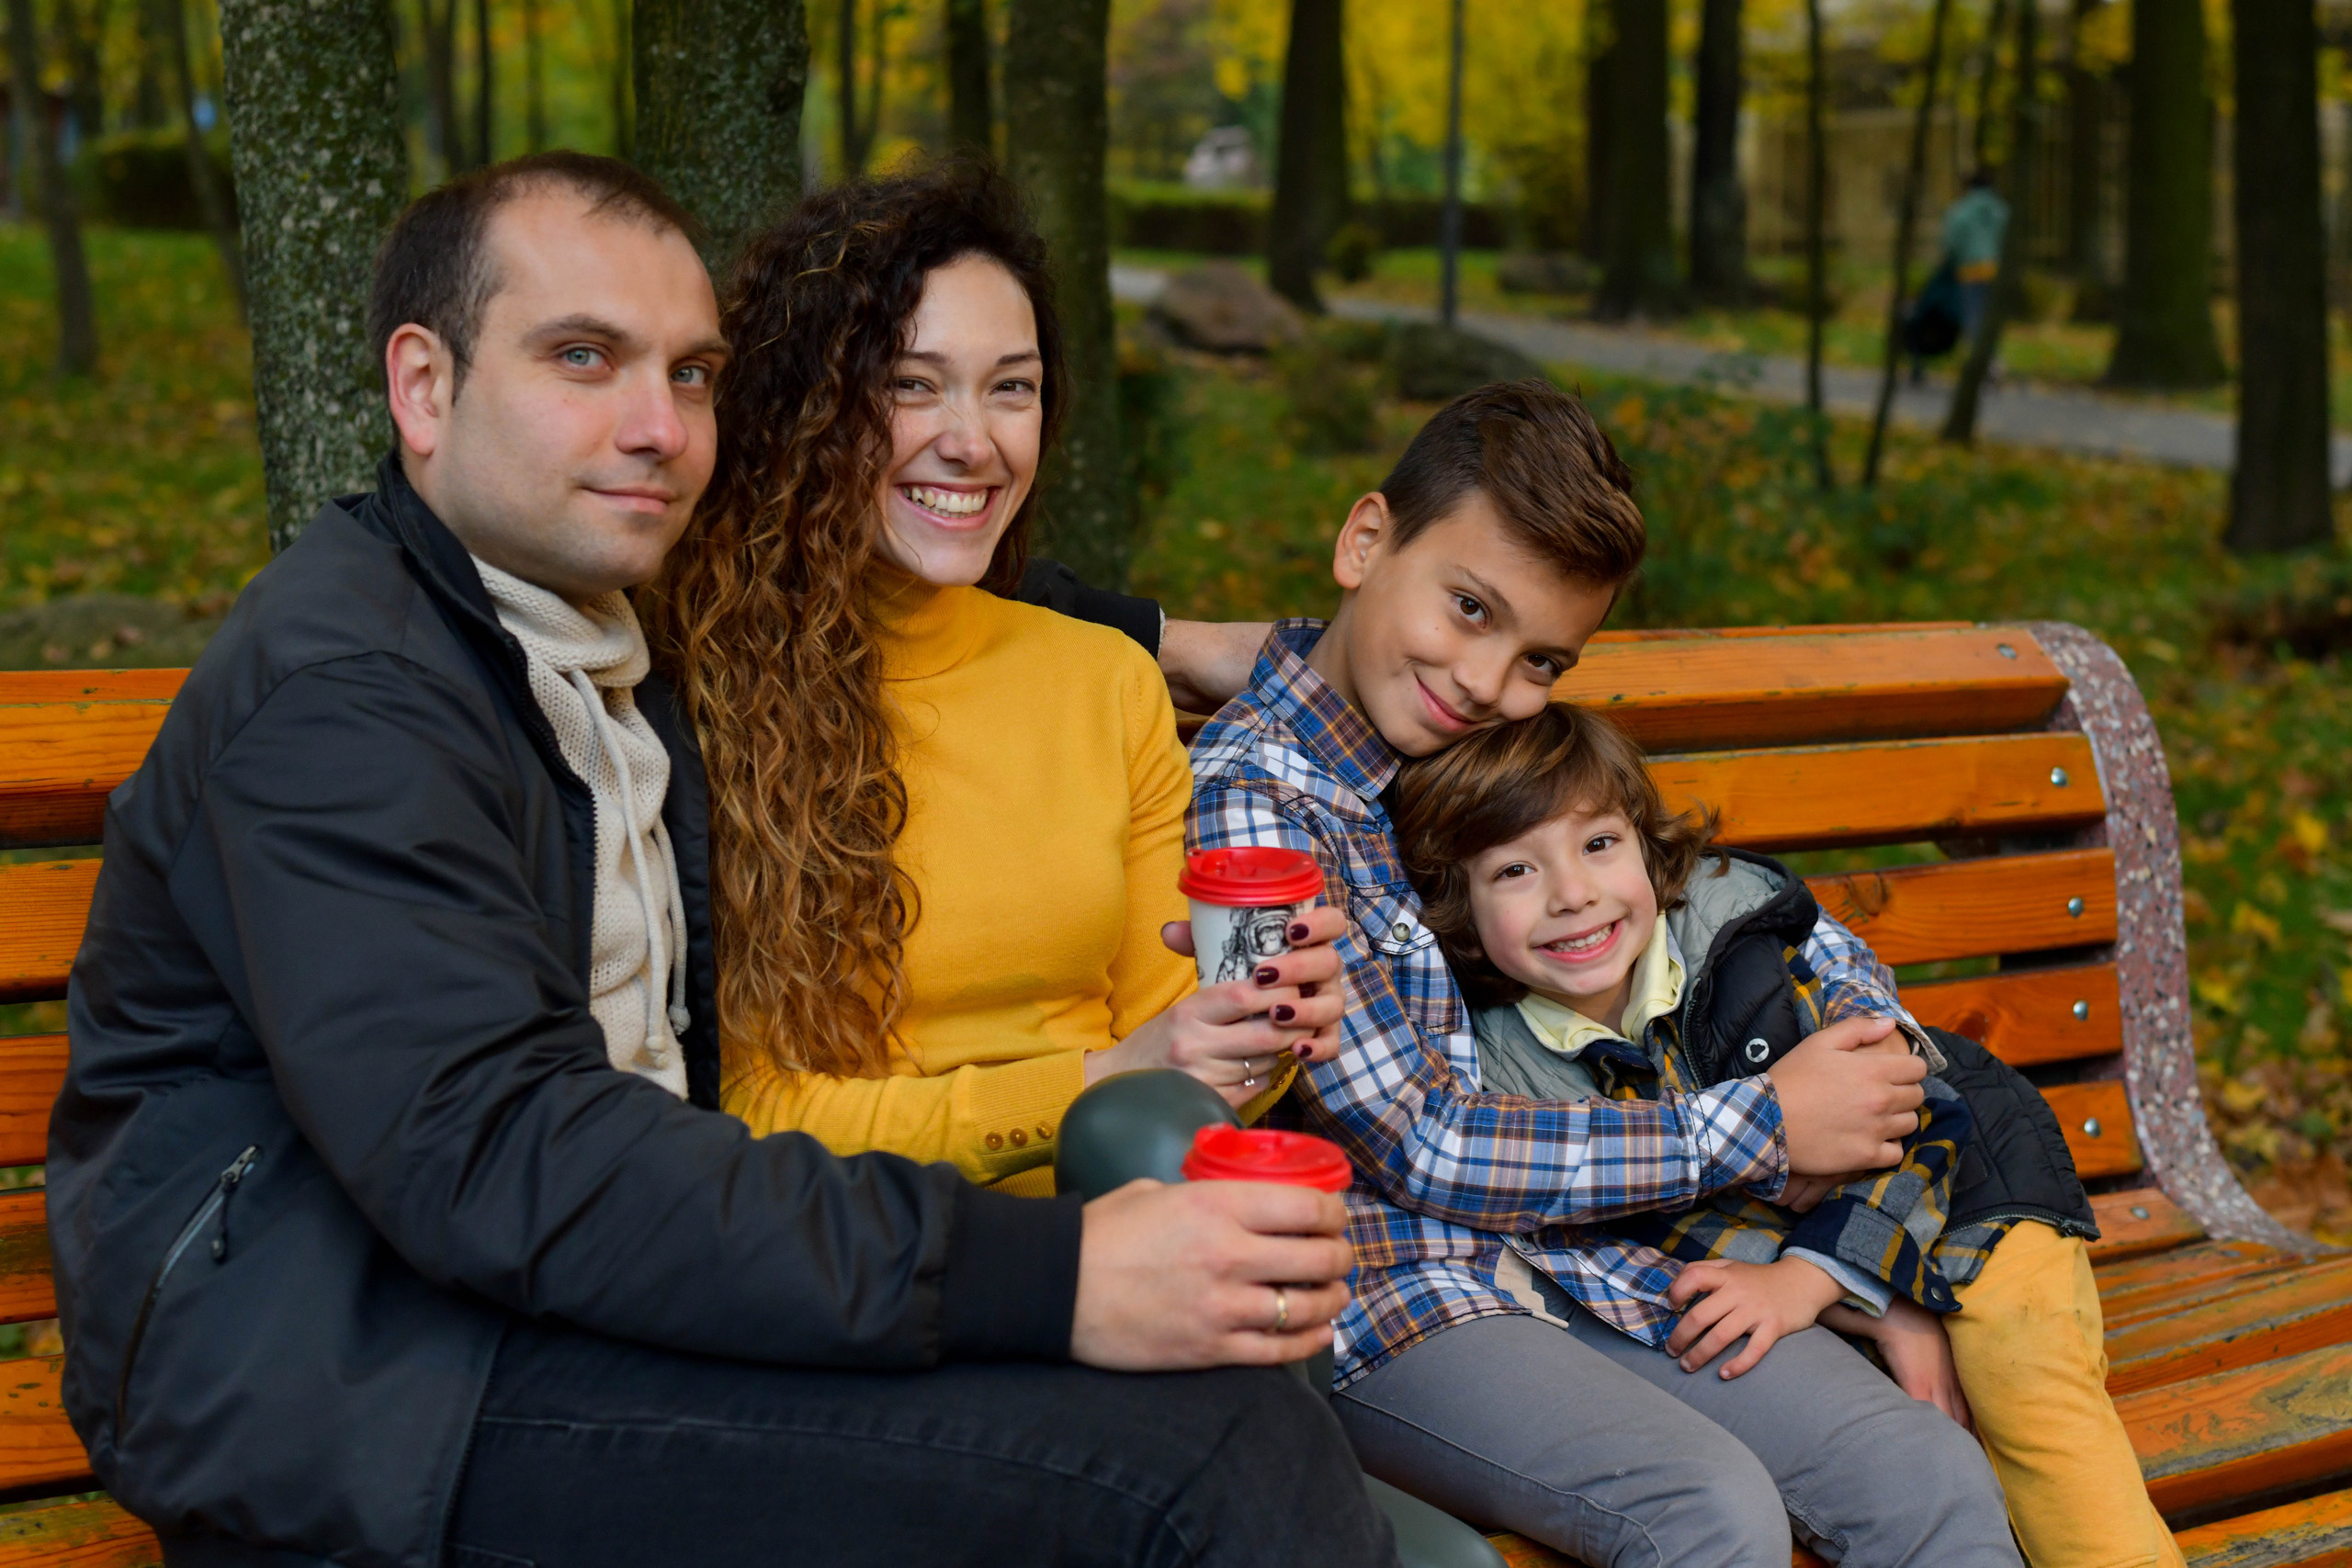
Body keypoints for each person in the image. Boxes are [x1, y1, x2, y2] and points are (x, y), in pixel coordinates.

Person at [51, 151, 1389, 1568]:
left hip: (581, 1314)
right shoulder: (347, 700)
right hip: (376, 1388)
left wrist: (1153, 630)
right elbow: (511, 1158)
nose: (657, 425)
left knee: (1215, 1413)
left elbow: (897, 569)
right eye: (584, 357)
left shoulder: (571, 634)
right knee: (1198, 1462)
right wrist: (1056, 1273)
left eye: (692, 375)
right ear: (423, 387)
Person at [1187, 378, 2022, 1565]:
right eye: (1469, 607)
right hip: (1394, 1290)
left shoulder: (1456, 750)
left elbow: (1700, 924)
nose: (1485, 680)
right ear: (1364, 540)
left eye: (1539, 657)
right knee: (1705, 1505)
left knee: (1925, 1469)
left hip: (1593, 1256)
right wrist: (1765, 1122)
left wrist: (1848, 1259)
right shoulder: (1265, 803)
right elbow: (1415, 1142)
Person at [640, 164, 1346, 1191]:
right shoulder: (703, 699)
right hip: (846, 1256)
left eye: (1009, 387)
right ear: (804, 407)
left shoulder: (1102, 681)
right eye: (911, 384)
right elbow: (754, 1109)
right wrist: (1100, 1081)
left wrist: (1262, 1027)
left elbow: (1193, 1071)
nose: (972, 444)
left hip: (1132, 1229)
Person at [1390, 700, 2186, 1568]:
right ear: (1459, 903)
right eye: (1514, 871)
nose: (1571, 893)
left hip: (1975, 1199)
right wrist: (1870, 1303)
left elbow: (1914, 1109)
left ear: (1648, 848)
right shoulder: (1502, 1067)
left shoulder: (1752, 948)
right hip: (1819, 1268)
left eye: (1597, 845)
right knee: (1917, 1447)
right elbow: (1656, 1235)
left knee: (2028, 1403)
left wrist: (1835, 1280)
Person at [1942, 170, 2011, 350]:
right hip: (1996, 269)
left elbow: (1951, 242)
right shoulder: (2001, 210)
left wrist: (1951, 262)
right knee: (1992, 318)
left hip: (1969, 270)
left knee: (1972, 315)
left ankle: (1976, 359)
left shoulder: (1961, 210)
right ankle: (1994, 359)